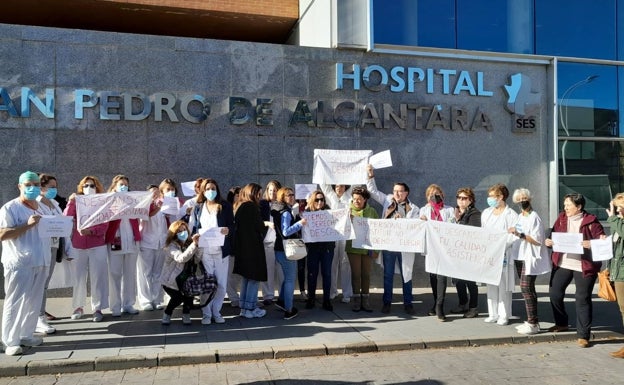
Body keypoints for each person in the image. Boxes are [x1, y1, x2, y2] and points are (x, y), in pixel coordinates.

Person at [545, 193, 605, 347]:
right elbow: (553, 235)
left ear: (579, 207)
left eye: (568, 205)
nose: (565, 208)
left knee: (582, 299)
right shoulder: (561, 218)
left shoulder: (592, 222)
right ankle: (561, 323)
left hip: (583, 266)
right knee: (554, 293)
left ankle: (583, 335)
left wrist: (591, 244)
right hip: (563, 263)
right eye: (564, 205)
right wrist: (549, 241)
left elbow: (602, 241)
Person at [0, 171, 50, 356]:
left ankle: (26, 334)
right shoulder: (10, 208)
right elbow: (2, 234)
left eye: (36, 184)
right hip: (20, 262)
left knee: (33, 301)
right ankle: (10, 340)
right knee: (15, 301)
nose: (32, 188)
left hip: (41, 260)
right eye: (28, 184)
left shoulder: (41, 207)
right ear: (20, 186)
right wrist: (28, 225)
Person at [366, 166, 419, 315]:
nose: (397, 193)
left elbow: (416, 227)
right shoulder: (388, 200)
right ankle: (387, 302)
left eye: (400, 191)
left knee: (406, 274)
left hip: (405, 247)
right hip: (389, 245)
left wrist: (403, 221)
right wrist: (370, 176)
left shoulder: (413, 208)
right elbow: (373, 192)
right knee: (388, 274)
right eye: (395, 190)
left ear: (406, 193)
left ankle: (408, 303)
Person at [188, 178, 234, 325]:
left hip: (220, 251)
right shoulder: (198, 207)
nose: (210, 191)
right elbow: (194, 227)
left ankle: (216, 311)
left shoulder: (224, 206)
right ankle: (206, 313)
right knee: (207, 284)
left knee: (221, 284)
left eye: (213, 188)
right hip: (205, 251)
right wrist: (194, 236)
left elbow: (232, 226)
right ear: (203, 191)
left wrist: (228, 230)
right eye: (207, 189)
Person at [64, 175, 110, 322]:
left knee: (98, 277)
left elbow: (105, 224)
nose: (88, 188)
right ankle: (78, 307)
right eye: (86, 186)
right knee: (78, 278)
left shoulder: (102, 203)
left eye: (92, 185)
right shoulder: (76, 202)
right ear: (81, 188)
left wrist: (92, 231)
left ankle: (97, 308)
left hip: (97, 245)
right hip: (78, 245)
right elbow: (66, 218)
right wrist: (71, 202)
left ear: (97, 188)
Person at [509, 188, 551, 335]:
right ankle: (532, 321)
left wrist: (519, 234)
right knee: (526, 289)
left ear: (530, 199)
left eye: (524, 198)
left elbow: (538, 241)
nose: (522, 201)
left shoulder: (534, 217)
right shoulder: (520, 216)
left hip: (530, 256)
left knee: (526, 287)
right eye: (519, 199)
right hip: (519, 256)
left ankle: (533, 323)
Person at [481, 184, 518, 326]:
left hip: (503, 254)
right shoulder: (486, 213)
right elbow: (483, 232)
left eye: (492, 196)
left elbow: (514, 235)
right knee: (490, 283)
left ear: (501, 197)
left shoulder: (511, 215)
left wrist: (502, 245)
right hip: (489, 254)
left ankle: (504, 315)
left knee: (503, 285)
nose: (489, 199)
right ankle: (493, 313)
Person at [233, 183, 271, 318]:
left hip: (243, 248)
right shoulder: (251, 207)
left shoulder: (240, 206)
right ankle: (251, 308)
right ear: (252, 193)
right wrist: (267, 224)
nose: (260, 196)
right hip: (253, 248)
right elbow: (259, 227)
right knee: (254, 278)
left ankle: (244, 308)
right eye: (258, 193)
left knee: (247, 279)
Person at [105, 175, 141, 317]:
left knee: (130, 273)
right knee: (114, 273)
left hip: (131, 240)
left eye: (126, 184)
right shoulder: (108, 200)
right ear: (114, 186)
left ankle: (128, 304)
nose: (124, 186)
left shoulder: (133, 200)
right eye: (121, 184)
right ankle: (115, 306)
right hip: (115, 240)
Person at [35, 173, 67, 334]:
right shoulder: (35, 203)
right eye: (51, 187)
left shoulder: (54, 203)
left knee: (45, 283)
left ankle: (39, 315)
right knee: (39, 283)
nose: (54, 190)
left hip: (54, 245)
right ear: (41, 187)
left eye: (55, 187)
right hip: (41, 247)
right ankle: (38, 317)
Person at [136, 181, 174, 311]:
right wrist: (157, 206)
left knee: (158, 273)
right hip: (146, 242)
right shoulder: (143, 205)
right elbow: (146, 216)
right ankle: (145, 300)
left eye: (157, 191)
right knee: (146, 273)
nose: (155, 193)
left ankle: (157, 299)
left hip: (161, 243)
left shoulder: (164, 205)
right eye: (152, 192)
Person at [419, 184, 455, 321]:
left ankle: (440, 306)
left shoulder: (450, 210)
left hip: (444, 248)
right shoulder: (423, 210)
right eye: (431, 194)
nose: (434, 196)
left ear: (442, 195)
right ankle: (435, 302)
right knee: (433, 277)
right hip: (431, 248)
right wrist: (421, 222)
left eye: (437, 194)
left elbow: (453, 227)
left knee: (442, 276)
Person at [271, 186, 307, 320]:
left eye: (293, 195)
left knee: (287, 278)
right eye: (289, 195)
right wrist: (300, 223)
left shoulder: (278, 210)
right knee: (290, 280)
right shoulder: (285, 212)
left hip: (280, 249)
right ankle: (289, 310)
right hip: (287, 250)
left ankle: (282, 301)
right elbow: (286, 232)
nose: (292, 197)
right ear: (282, 197)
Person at [160, 220, 202, 325]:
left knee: (188, 296)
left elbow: (196, 259)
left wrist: (199, 246)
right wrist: (194, 245)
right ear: (174, 233)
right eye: (179, 231)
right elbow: (181, 258)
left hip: (186, 278)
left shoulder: (189, 244)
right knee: (178, 298)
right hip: (170, 281)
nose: (183, 233)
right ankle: (167, 314)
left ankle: (186, 315)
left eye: (184, 230)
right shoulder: (171, 246)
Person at [450, 187, 481, 319]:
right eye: (459, 198)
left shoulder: (474, 214)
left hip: (469, 252)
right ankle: (462, 303)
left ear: (471, 200)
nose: (461, 201)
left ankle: (473, 308)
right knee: (458, 280)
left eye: (464, 198)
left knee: (470, 281)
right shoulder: (456, 212)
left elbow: (472, 231)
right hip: (458, 252)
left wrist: (458, 222)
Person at [346, 186, 379, 312]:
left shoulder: (372, 212)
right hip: (353, 247)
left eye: (359, 199)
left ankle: (365, 300)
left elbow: (378, 231)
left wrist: (377, 250)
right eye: (354, 199)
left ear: (365, 199)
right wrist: (348, 220)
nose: (356, 201)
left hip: (368, 247)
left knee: (366, 274)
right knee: (356, 274)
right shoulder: (347, 211)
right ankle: (356, 300)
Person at [302, 190, 335, 311]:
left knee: (327, 273)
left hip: (327, 248)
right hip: (313, 249)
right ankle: (311, 298)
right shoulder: (308, 212)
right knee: (312, 274)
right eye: (317, 199)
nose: (320, 202)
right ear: (312, 200)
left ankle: (326, 300)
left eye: (322, 199)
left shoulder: (329, 212)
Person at [320, 183, 353, 303]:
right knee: (332, 263)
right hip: (332, 235)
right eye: (337, 186)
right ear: (334, 187)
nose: (340, 188)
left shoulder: (349, 197)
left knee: (345, 264)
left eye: (342, 186)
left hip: (345, 234)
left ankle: (347, 293)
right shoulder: (329, 195)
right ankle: (332, 291)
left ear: (346, 187)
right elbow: (323, 184)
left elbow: (357, 180)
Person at [606, 194, 624, 358]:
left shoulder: (618, 223)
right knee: (622, 308)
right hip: (618, 271)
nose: (618, 210)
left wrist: (613, 219)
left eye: (620, 207)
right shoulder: (619, 223)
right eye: (617, 207)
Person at [260, 180, 282, 305]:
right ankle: (268, 296)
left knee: (281, 271)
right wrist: (266, 223)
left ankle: (282, 295)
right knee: (268, 270)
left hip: (279, 243)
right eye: (270, 190)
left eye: (275, 190)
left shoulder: (282, 204)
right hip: (267, 242)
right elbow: (258, 221)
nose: (273, 193)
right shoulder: (262, 204)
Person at [225, 186, 242, 307]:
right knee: (229, 274)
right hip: (231, 246)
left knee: (238, 274)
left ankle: (235, 295)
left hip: (241, 246)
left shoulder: (245, 208)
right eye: (236, 195)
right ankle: (233, 297)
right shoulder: (228, 209)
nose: (239, 197)